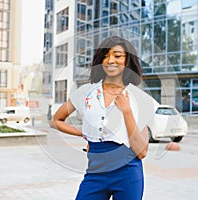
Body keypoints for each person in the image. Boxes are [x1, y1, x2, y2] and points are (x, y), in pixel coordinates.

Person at [50, 36, 157, 200]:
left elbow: (142, 152)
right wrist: (84, 133)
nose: (110, 60)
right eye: (106, 55)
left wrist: (127, 110)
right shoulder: (86, 92)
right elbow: (56, 120)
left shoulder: (138, 97)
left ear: (127, 61)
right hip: (95, 172)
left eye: (117, 55)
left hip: (127, 172)